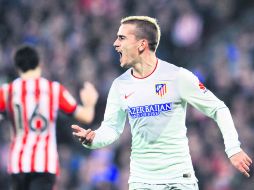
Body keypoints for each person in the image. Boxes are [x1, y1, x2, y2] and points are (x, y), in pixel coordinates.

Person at [71, 16, 252, 190]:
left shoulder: (177, 76)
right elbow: (112, 128)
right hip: (142, 182)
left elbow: (218, 108)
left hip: (179, 180)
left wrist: (233, 148)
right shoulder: (120, 85)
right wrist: (94, 139)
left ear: (142, 44)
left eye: (122, 38)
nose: (115, 44)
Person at [0, 45, 99, 190]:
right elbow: (86, 117)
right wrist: (90, 104)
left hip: (18, 164)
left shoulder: (7, 92)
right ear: (40, 64)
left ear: (17, 67)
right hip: (45, 164)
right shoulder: (54, 90)